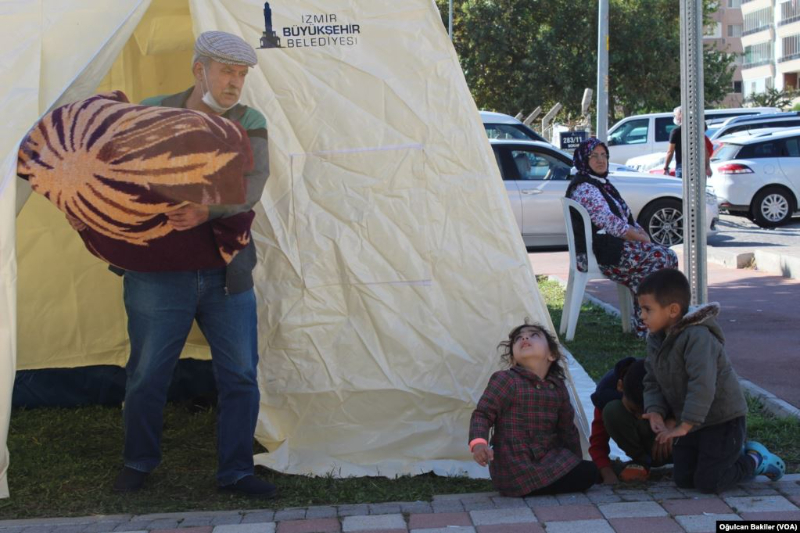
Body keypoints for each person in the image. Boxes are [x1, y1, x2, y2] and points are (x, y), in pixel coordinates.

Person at [67, 31, 275, 497]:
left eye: (240, 75)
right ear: (199, 69)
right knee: (146, 374)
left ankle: (237, 472)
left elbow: (252, 185)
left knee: (240, 374)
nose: (234, 83)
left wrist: (207, 209)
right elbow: (118, 174)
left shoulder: (250, 120)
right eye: (226, 72)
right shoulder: (152, 111)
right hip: (157, 275)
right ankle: (138, 462)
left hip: (228, 273)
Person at [638, 268, 785, 492]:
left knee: (710, 482)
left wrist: (684, 426)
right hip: (692, 422)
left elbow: (702, 384)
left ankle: (755, 459)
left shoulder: (697, 337)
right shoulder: (656, 339)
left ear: (673, 310)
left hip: (722, 419)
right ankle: (726, 456)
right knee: (684, 480)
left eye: (647, 309)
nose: (642, 316)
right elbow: (652, 380)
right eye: (641, 309)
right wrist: (655, 410)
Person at [469, 323, 599, 496]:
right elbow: (483, 414)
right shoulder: (506, 380)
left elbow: (567, 429)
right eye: (518, 338)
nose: (524, 338)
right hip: (515, 465)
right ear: (514, 359)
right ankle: (535, 485)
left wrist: (574, 461)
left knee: (588, 471)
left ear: (552, 354)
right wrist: (479, 443)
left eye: (534, 335)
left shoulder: (557, 387)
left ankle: (553, 479)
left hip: (549, 458)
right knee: (587, 474)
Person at [566, 138, 678, 336]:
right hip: (599, 253)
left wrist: (640, 232)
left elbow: (625, 218)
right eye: (594, 156)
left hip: (612, 249)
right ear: (583, 159)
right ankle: (649, 327)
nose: (601, 160)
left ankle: (659, 323)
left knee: (667, 256)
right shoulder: (585, 188)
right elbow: (610, 223)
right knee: (659, 259)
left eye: (604, 155)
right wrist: (641, 238)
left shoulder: (601, 184)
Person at [589, 359, 675, 484]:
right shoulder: (605, 393)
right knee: (612, 410)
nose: (640, 417)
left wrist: (672, 422)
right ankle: (642, 461)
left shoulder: (668, 379)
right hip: (646, 449)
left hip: (675, 442)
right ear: (620, 386)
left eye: (648, 414)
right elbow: (597, 444)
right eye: (634, 411)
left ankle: (682, 458)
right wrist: (607, 475)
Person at [664, 106, 682, 177]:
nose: (674, 117)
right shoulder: (696, 130)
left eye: (675, 115)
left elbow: (670, 152)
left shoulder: (675, 131)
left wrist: (666, 167)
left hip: (681, 166)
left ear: (680, 115)